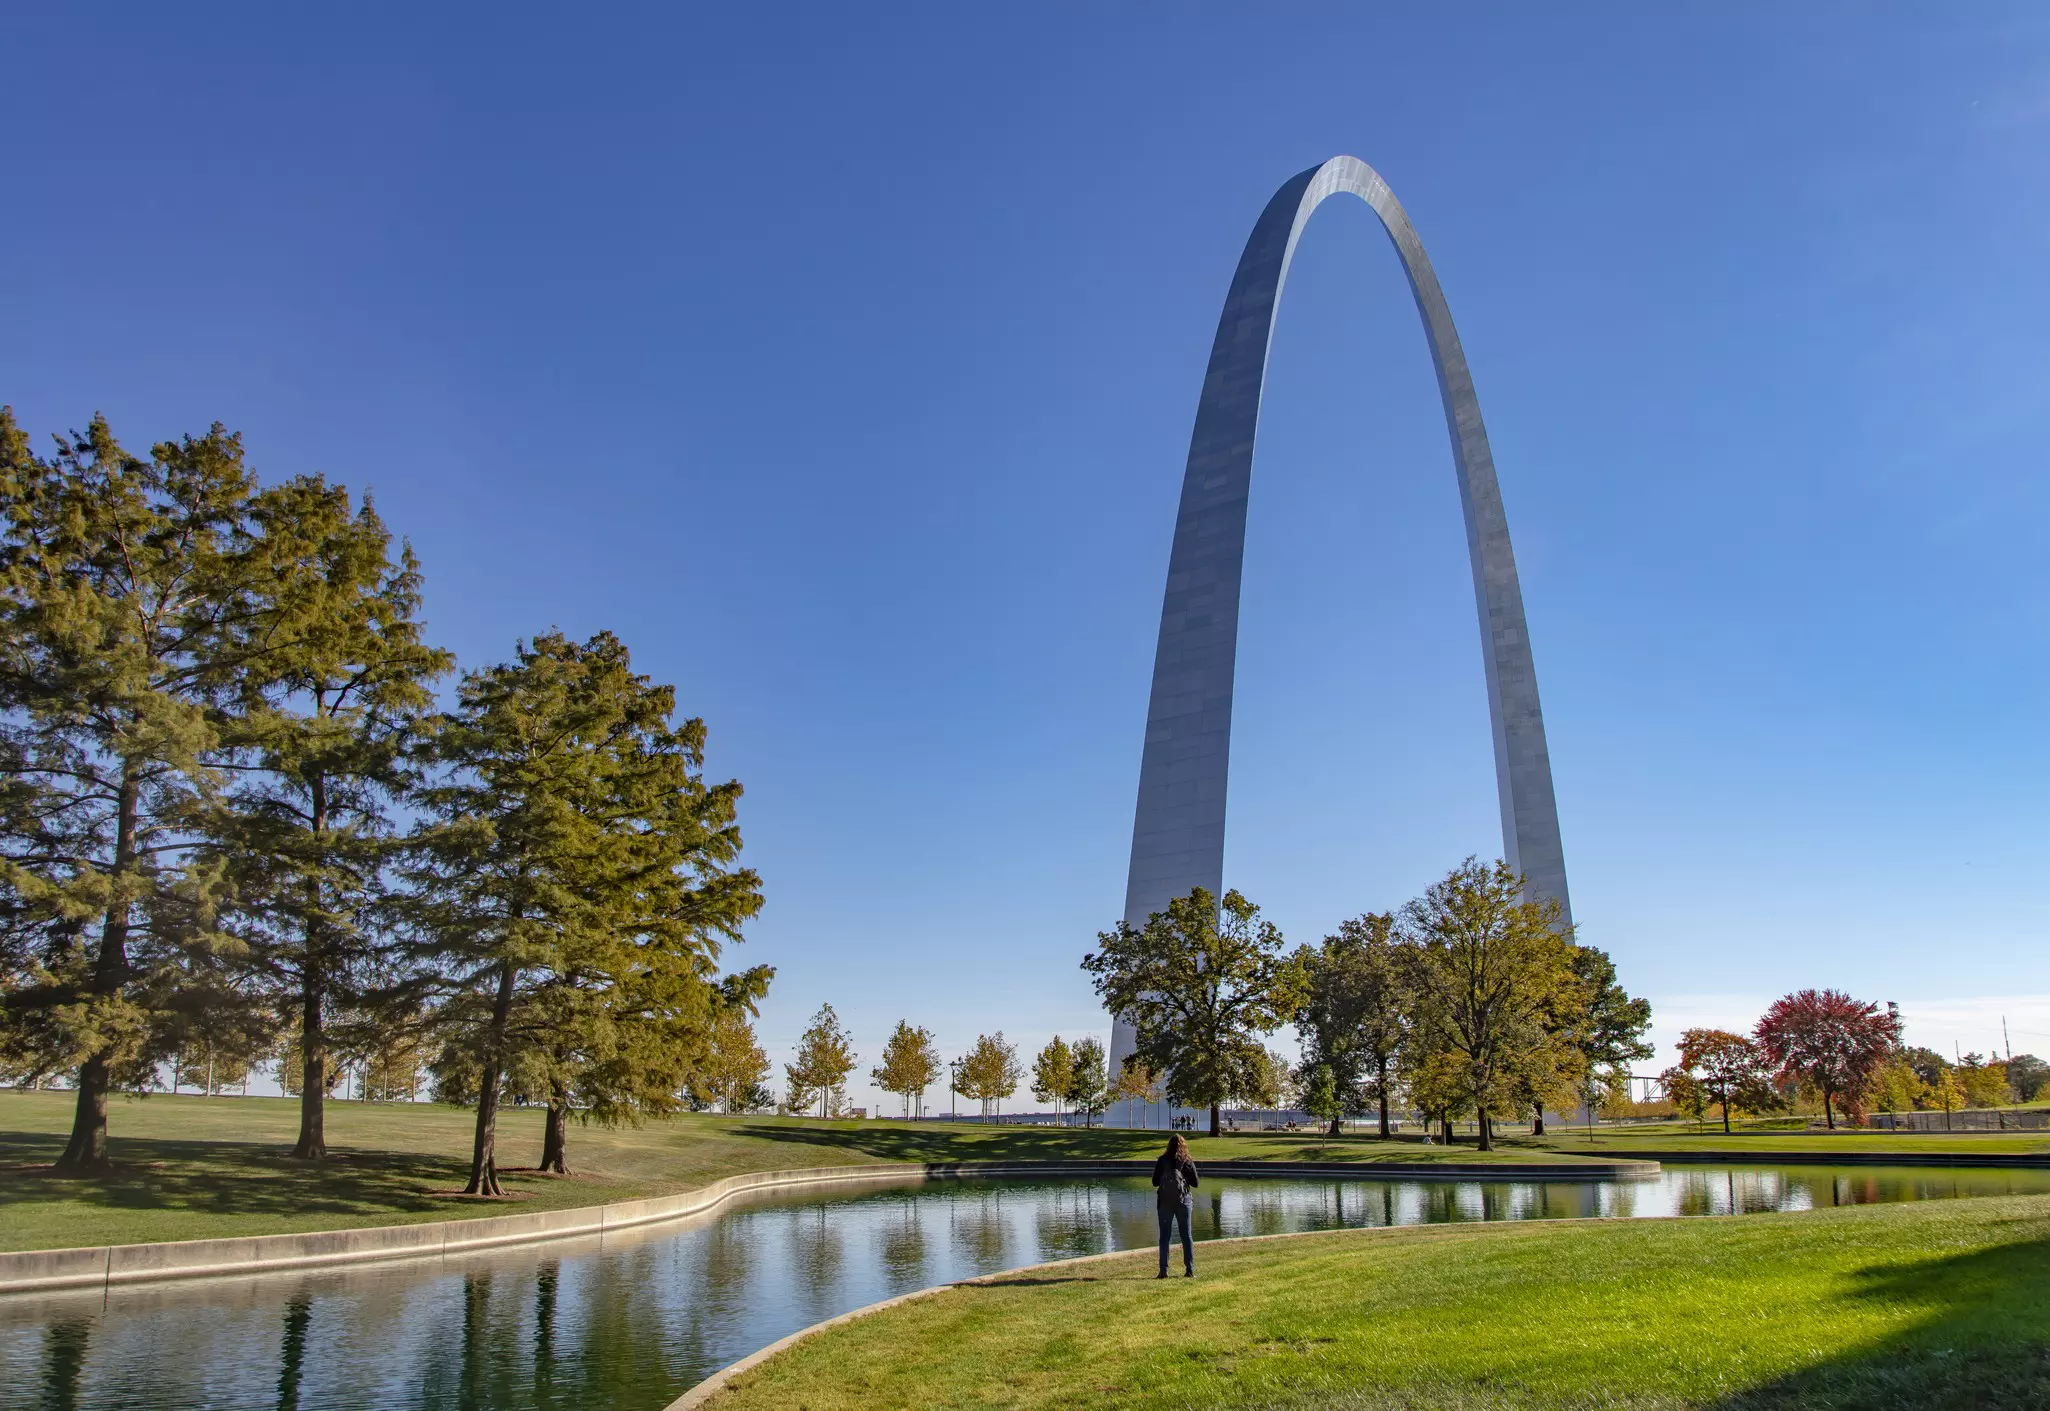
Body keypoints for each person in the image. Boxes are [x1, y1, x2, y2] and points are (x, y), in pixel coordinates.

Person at [1151, 1132, 1198, 1278]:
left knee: (1164, 1237)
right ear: (1184, 1146)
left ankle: (1163, 1271)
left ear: (1168, 1145)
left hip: (1165, 1202)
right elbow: (1196, 1183)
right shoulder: (1187, 1160)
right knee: (1186, 1235)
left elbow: (1154, 1182)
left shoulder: (1162, 1160)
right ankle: (1189, 1270)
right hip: (1183, 1201)